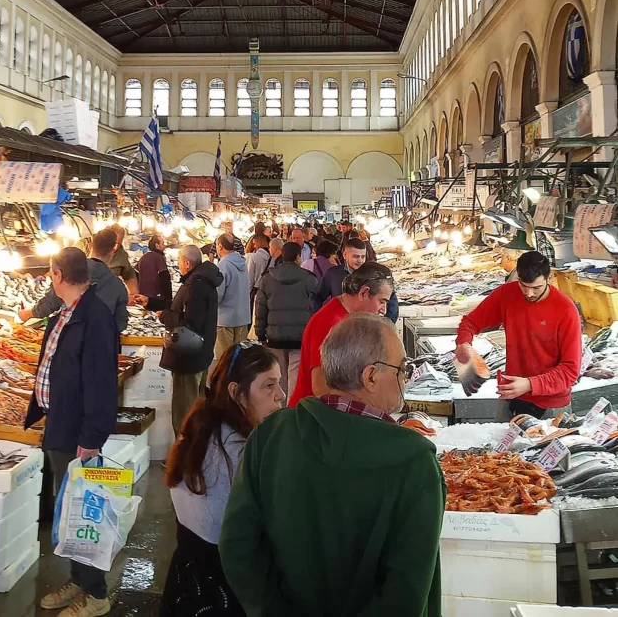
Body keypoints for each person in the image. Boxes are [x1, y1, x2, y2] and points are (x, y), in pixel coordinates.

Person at [220, 314, 444, 617]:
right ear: (371, 377)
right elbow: (406, 591)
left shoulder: (271, 434)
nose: (405, 378)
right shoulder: (415, 460)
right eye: (402, 369)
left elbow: (238, 546)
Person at [160, 343, 285, 616]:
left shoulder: (201, 424)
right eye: (269, 386)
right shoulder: (241, 451)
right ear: (235, 392)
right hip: (223, 591)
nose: (281, 395)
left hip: (186, 579)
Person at [26, 248, 117, 617]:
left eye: (51, 273)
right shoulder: (68, 311)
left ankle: (96, 594)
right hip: (60, 421)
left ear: (58, 275)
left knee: (81, 516)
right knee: (67, 513)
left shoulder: (94, 319)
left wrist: (91, 437)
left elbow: (100, 384)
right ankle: (78, 580)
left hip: (77, 431)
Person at [456, 250, 581, 419]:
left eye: (536, 288)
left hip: (551, 405)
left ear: (549, 279)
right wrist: (464, 343)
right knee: (499, 445)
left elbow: (570, 370)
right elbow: (470, 322)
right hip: (511, 396)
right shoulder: (507, 294)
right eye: (524, 286)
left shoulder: (566, 310)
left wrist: (530, 384)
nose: (529, 294)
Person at [289, 262, 394, 406]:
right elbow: (321, 388)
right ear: (364, 293)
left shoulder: (347, 317)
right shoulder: (331, 323)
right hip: (310, 417)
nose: (384, 310)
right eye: (382, 302)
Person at [159, 244, 223, 436]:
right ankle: (197, 452)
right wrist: (152, 303)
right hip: (200, 353)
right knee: (197, 405)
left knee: (185, 412)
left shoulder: (196, 285)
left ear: (186, 263)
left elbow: (190, 322)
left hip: (188, 356)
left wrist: (164, 316)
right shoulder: (203, 280)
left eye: (179, 261)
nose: (178, 265)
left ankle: (184, 458)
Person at [19, 228, 129, 333]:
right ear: (113, 252)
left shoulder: (70, 271)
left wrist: (27, 314)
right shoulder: (118, 286)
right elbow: (121, 323)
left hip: (70, 340)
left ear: (90, 246)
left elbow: (49, 304)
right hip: (101, 347)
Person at [255, 242, 316, 399]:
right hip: (300, 337)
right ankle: (292, 410)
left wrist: (260, 334)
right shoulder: (309, 279)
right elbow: (314, 308)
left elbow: (260, 309)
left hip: (275, 336)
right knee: (295, 378)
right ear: (298, 257)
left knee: (278, 377)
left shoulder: (267, 278)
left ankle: (279, 409)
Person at [314, 237, 399, 323]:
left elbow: (391, 301)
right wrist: (319, 318)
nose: (360, 261)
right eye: (356, 256)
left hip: (368, 327)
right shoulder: (333, 274)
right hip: (340, 327)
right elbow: (317, 297)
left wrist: (387, 325)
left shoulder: (374, 275)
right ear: (344, 255)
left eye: (363, 257)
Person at [214, 234, 251, 360]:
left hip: (225, 320)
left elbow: (218, 294)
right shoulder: (242, 262)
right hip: (242, 317)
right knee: (239, 358)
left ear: (220, 246)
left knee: (225, 358)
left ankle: (225, 380)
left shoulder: (223, 265)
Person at [135, 233, 172, 311]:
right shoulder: (159, 258)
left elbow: (135, 274)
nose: (164, 246)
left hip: (143, 298)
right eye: (162, 243)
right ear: (157, 245)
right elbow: (165, 278)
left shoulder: (143, 257)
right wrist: (169, 300)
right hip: (156, 299)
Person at [108, 224, 139, 295]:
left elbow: (129, 276)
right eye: (113, 243)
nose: (115, 247)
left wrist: (134, 297)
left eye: (118, 243)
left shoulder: (122, 255)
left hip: (110, 296)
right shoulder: (87, 245)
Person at [245, 234, 271, 307]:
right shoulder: (271, 257)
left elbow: (249, 279)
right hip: (267, 291)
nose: (254, 246)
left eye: (254, 243)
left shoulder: (252, 257)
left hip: (254, 292)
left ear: (259, 242)